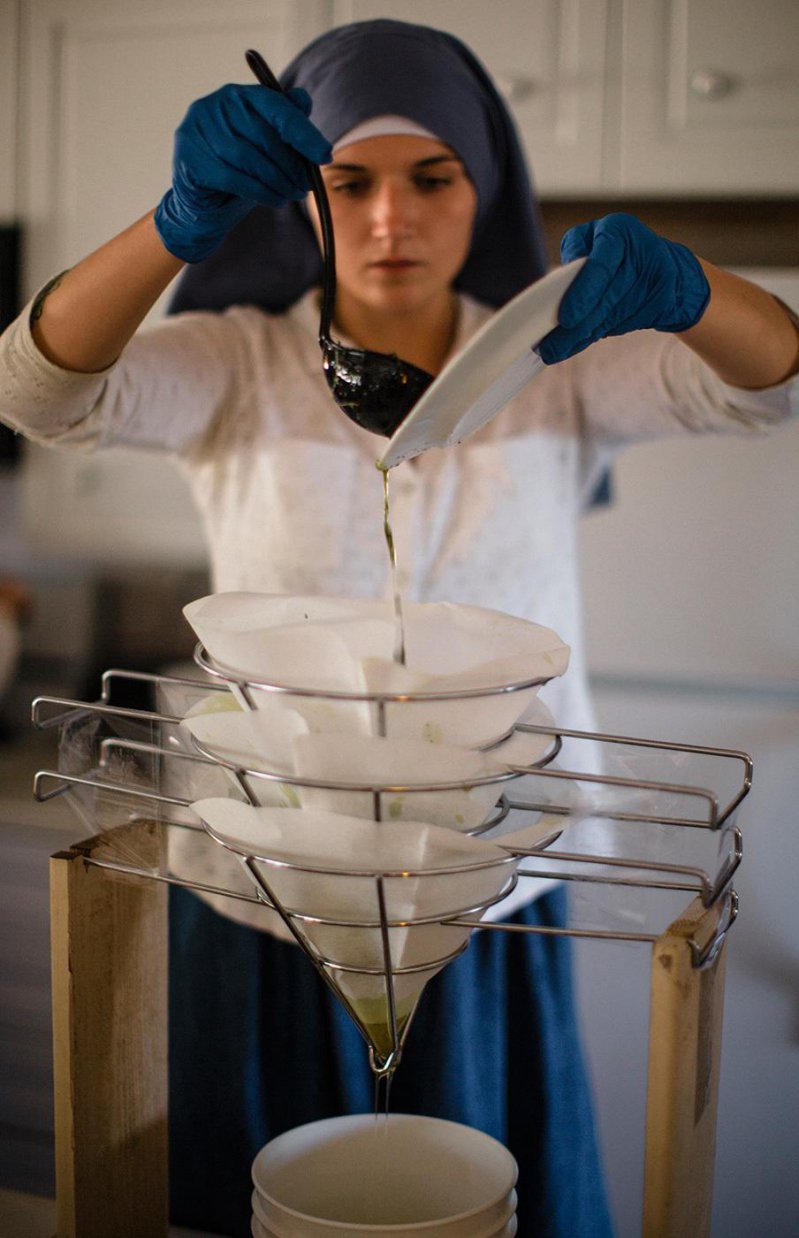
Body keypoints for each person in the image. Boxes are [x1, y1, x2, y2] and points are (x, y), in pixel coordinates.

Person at [1, 18, 797, 1238]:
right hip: (262, 892)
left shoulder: (559, 360)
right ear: (302, 201)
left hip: (485, 891)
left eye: (433, 178)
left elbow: (773, 383)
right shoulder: (234, 363)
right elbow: (34, 390)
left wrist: (689, 290)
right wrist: (173, 222)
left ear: (485, 188)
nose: (390, 220)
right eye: (349, 181)